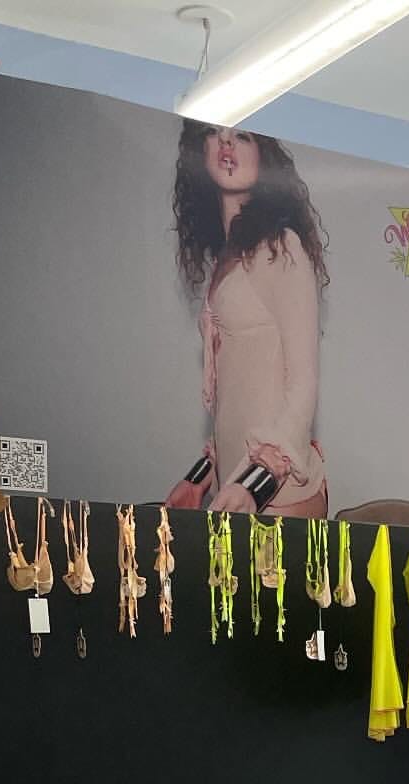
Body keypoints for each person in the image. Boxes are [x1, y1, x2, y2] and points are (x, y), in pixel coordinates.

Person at [167, 125, 329, 518]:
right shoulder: (227, 258)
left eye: (242, 136)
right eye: (213, 133)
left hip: (279, 493)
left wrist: (255, 485)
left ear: (263, 155)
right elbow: (241, 395)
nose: (226, 142)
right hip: (240, 487)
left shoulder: (280, 247)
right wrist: (201, 476)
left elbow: (302, 384)